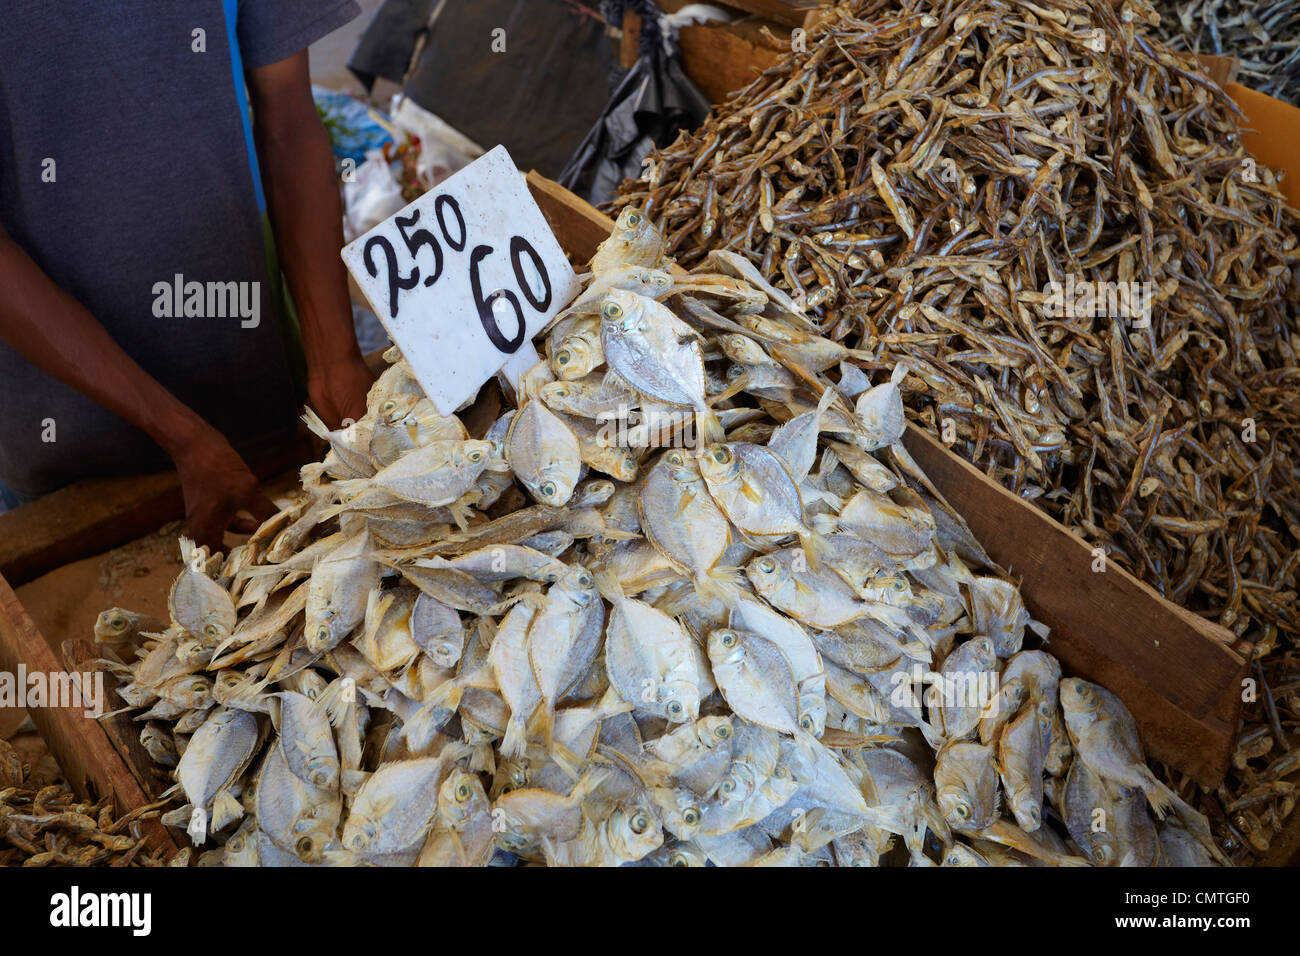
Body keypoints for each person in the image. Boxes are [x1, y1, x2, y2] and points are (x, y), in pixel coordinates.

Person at [0, 2, 374, 550]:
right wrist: (178, 432)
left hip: (253, 399)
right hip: (67, 446)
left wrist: (334, 359)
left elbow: (289, 118)